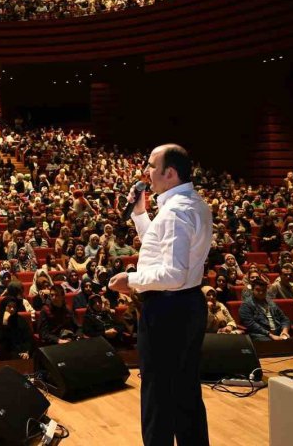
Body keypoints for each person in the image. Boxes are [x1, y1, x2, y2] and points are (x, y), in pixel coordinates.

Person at [108, 144, 212, 446]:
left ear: (170, 172)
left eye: (152, 166)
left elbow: (173, 273)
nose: (146, 173)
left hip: (168, 310)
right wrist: (140, 213)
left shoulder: (177, 212)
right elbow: (160, 247)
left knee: (157, 397)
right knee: (185, 393)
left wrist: (133, 280)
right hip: (187, 305)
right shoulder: (191, 203)